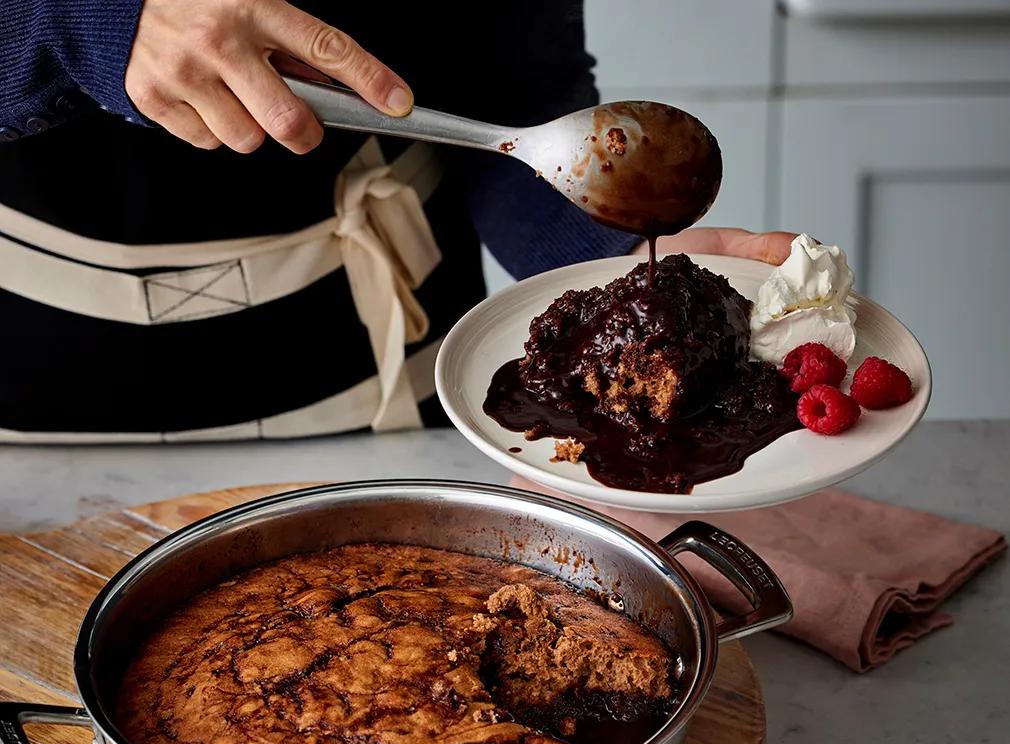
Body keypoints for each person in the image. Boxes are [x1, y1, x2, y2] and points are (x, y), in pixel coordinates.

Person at [0, 0, 790, 443]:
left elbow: (514, 86)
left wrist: (607, 271)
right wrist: (86, 21)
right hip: (36, 391)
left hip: (385, 373)